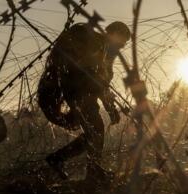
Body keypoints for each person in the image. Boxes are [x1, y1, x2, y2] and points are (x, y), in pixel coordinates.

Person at [42, 21, 130, 182]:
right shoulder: (96, 44)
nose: (122, 47)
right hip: (79, 94)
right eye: (122, 42)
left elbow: (102, 83)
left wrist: (110, 107)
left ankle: (59, 159)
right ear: (114, 34)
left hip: (82, 94)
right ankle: (92, 171)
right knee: (96, 129)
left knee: (93, 132)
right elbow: (96, 79)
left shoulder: (103, 50)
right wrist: (109, 107)